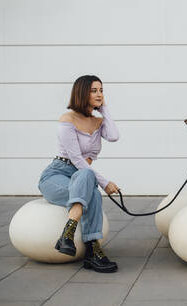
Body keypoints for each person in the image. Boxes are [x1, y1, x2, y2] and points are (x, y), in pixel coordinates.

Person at [38, 75, 120, 273]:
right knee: (91, 190)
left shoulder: (98, 121)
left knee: (86, 178)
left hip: (82, 175)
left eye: (101, 90)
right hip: (57, 174)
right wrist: (105, 183)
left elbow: (114, 136)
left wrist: (104, 109)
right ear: (82, 93)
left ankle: (67, 235)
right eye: (94, 90)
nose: (99, 94)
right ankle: (93, 251)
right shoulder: (67, 119)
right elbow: (76, 159)